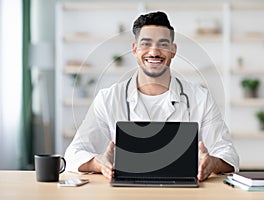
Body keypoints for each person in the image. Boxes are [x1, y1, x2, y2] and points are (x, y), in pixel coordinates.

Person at [64, 11, 239, 181]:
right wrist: (98, 163)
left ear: (173, 50)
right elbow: (73, 153)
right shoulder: (108, 99)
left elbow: (228, 154)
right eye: (146, 44)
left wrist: (212, 163)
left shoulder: (201, 98)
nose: (154, 52)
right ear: (134, 49)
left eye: (163, 44)